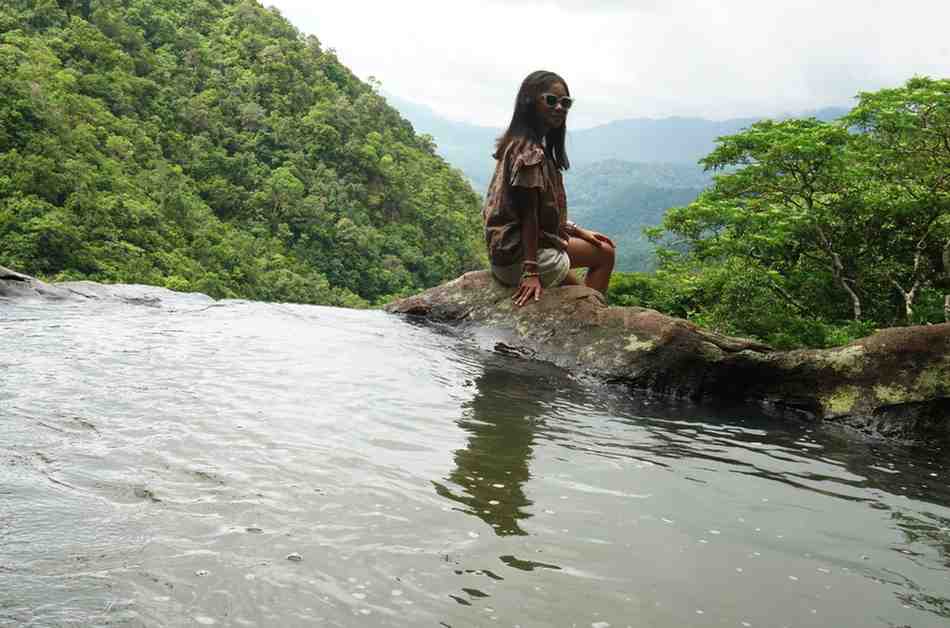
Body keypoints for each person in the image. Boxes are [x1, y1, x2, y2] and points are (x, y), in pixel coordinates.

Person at [483, 70, 615, 307]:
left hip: (506, 252)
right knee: (605, 254)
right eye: (551, 100)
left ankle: (590, 313)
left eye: (565, 102)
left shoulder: (518, 143)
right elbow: (529, 215)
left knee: (588, 289)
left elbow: (533, 211)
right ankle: (592, 318)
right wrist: (531, 272)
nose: (559, 108)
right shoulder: (529, 152)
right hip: (522, 258)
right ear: (529, 101)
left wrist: (575, 230)